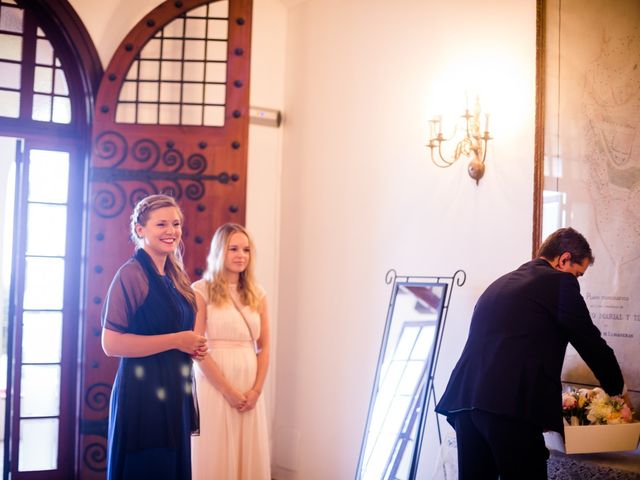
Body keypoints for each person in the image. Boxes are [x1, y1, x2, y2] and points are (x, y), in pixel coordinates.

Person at [435, 227, 628, 480]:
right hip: (508, 409)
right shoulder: (559, 282)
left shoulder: (502, 282)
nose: (576, 280)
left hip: (465, 405)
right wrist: (618, 391)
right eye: (578, 273)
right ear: (564, 259)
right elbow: (589, 340)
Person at [101, 194, 208, 480]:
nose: (171, 231)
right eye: (161, 224)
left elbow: (180, 332)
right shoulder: (131, 275)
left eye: (176, 224)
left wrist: (192, 346)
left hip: (175, 392)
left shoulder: (175, 276)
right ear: (140, 229)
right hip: (143, 396)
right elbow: (111, 344)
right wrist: (176, 340)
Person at [191, 223, 271, 480]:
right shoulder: (200, 291)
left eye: (246, 249)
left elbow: (265, 345)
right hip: (215, 385)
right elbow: (197, 347)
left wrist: (256, 390)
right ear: (219, 252)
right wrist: (227, 390)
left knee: (246, 453)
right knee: (215, 452)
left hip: (249, 385)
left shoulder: (258, 294)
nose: (241, 255)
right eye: (233, 248)